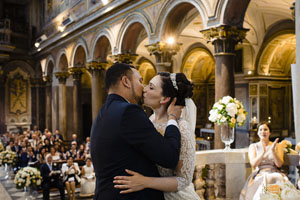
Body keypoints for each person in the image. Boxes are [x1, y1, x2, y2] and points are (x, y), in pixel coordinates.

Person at [90, 63, 182, 200]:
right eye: (140, 81)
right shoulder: (129, 112)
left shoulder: (103, 112)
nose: (143, 87)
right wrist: (173, 118)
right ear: (125, 81)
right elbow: (170, 157)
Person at [113, 72, 200, 200]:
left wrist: (145, 182)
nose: (144, 89)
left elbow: (183, 180)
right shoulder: (150, 120)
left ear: (164, 99)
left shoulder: (182, 128)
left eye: (151, 87)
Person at [240, 122, 300, 199]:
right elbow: (253, 164)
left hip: (274, 172)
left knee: (276, 177)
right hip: (260, 173)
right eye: (260, 130)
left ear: (270, 132)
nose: (263, 132)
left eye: (265, 129)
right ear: (258, 133)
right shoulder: (253, 146)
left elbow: (279, 164)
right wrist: (263, 153)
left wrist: (273, 152)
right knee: (263, 181)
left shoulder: (277, 146)